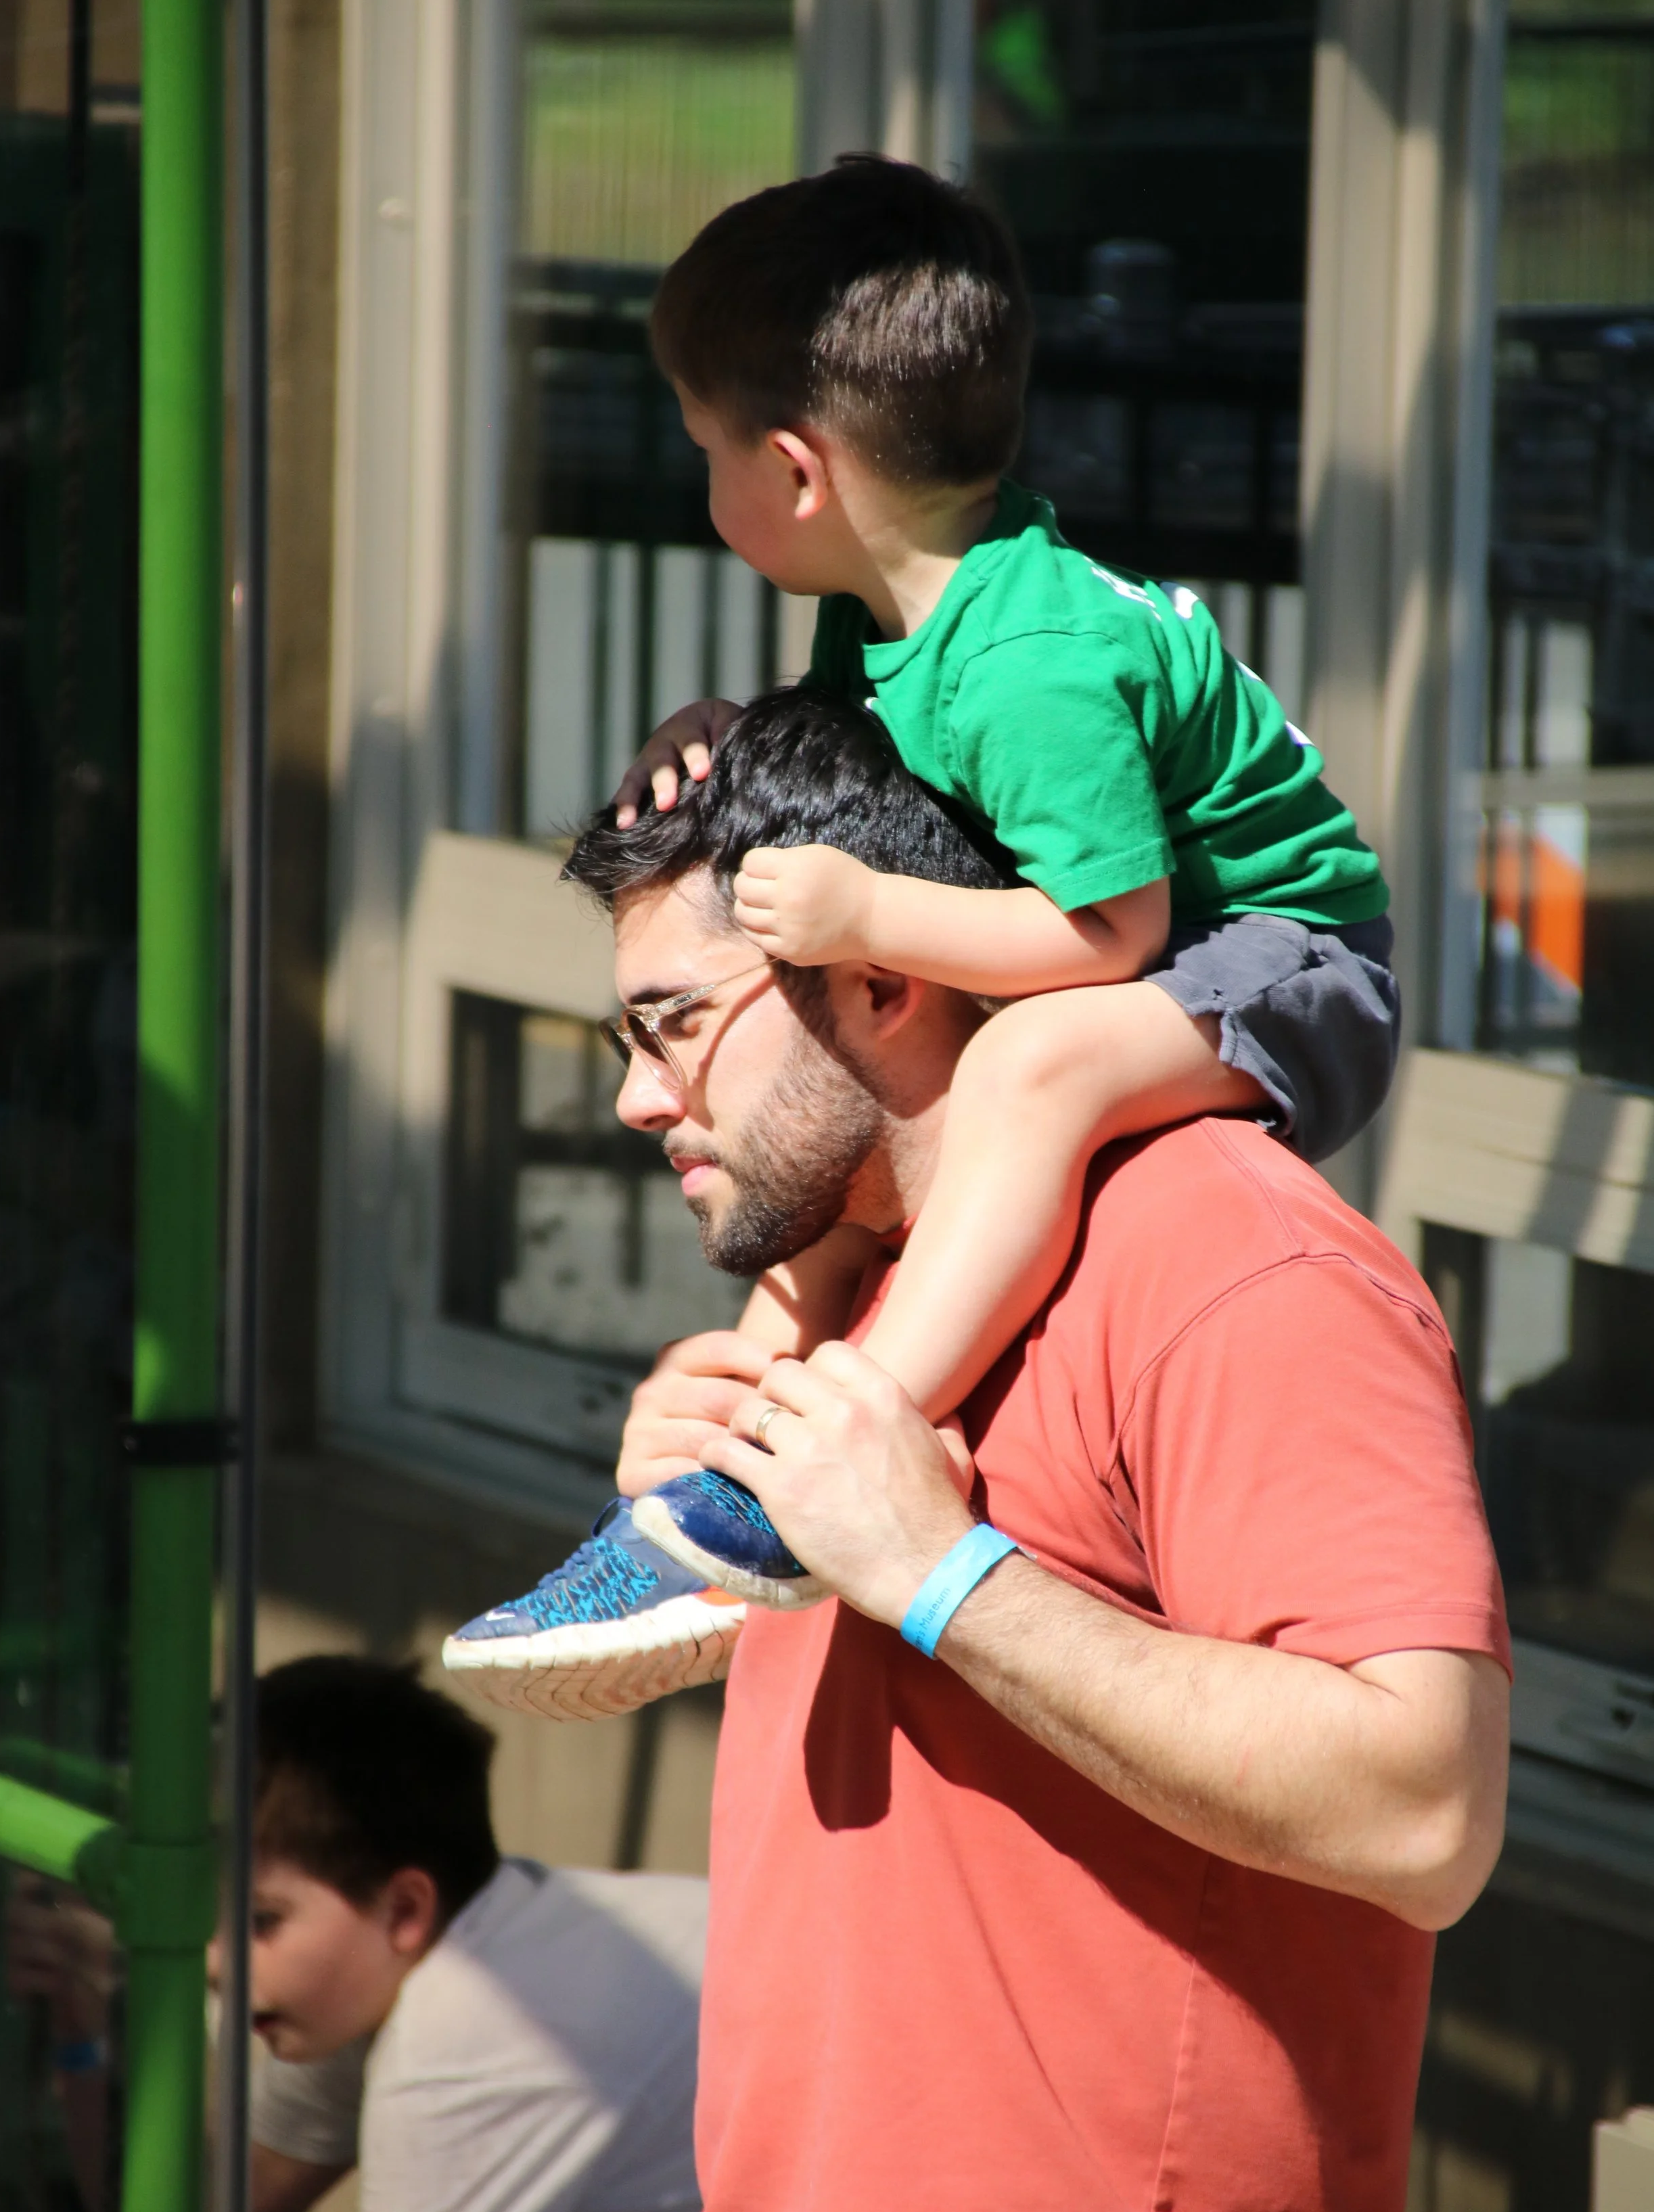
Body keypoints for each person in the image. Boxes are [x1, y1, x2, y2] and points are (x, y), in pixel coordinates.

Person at [459, 694, 1509, 2212]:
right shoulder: (850, 1266)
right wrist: (714, 1519)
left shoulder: (1242, 1268)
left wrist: (945, 1575)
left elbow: (1425, 1811)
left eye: (675, 1025)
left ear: (883, 976)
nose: (639, 1099)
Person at [591, 152, 1397, 1604]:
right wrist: (711, 731)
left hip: (1288, 960)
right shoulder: (904, 593)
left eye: (706, 447)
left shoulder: (1029, 665)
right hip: (1172, 938)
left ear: (795, 471)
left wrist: (866, 914)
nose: (702, 480)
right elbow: (873, 760)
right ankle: (717, 1488)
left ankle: (838, 1452)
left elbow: (1110, 934)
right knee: (825, 1148)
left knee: (1030, 1066)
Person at [0, 1656, 705, 2212]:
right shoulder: (382, 1983)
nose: (214, 1959)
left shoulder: (464, 2041)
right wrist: (86, 2034)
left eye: (261, 1921)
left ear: (404, 1909)